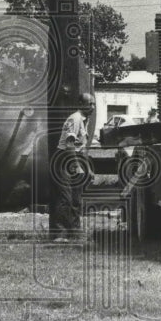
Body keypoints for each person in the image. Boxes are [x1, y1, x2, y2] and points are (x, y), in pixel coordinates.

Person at [53, 92, 94, 240]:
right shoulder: (75, 119)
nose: (93, 107)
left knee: (76, 199)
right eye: (90, 104)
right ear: (80, 104)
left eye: (93, 104)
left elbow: (82, 148)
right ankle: (60, 234)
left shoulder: (85, 120)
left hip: (76, 158)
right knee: (66, 198)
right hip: (65, 158)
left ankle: (75, 233)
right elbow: (70, 144)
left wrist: (88, 169)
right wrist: (77, 166)